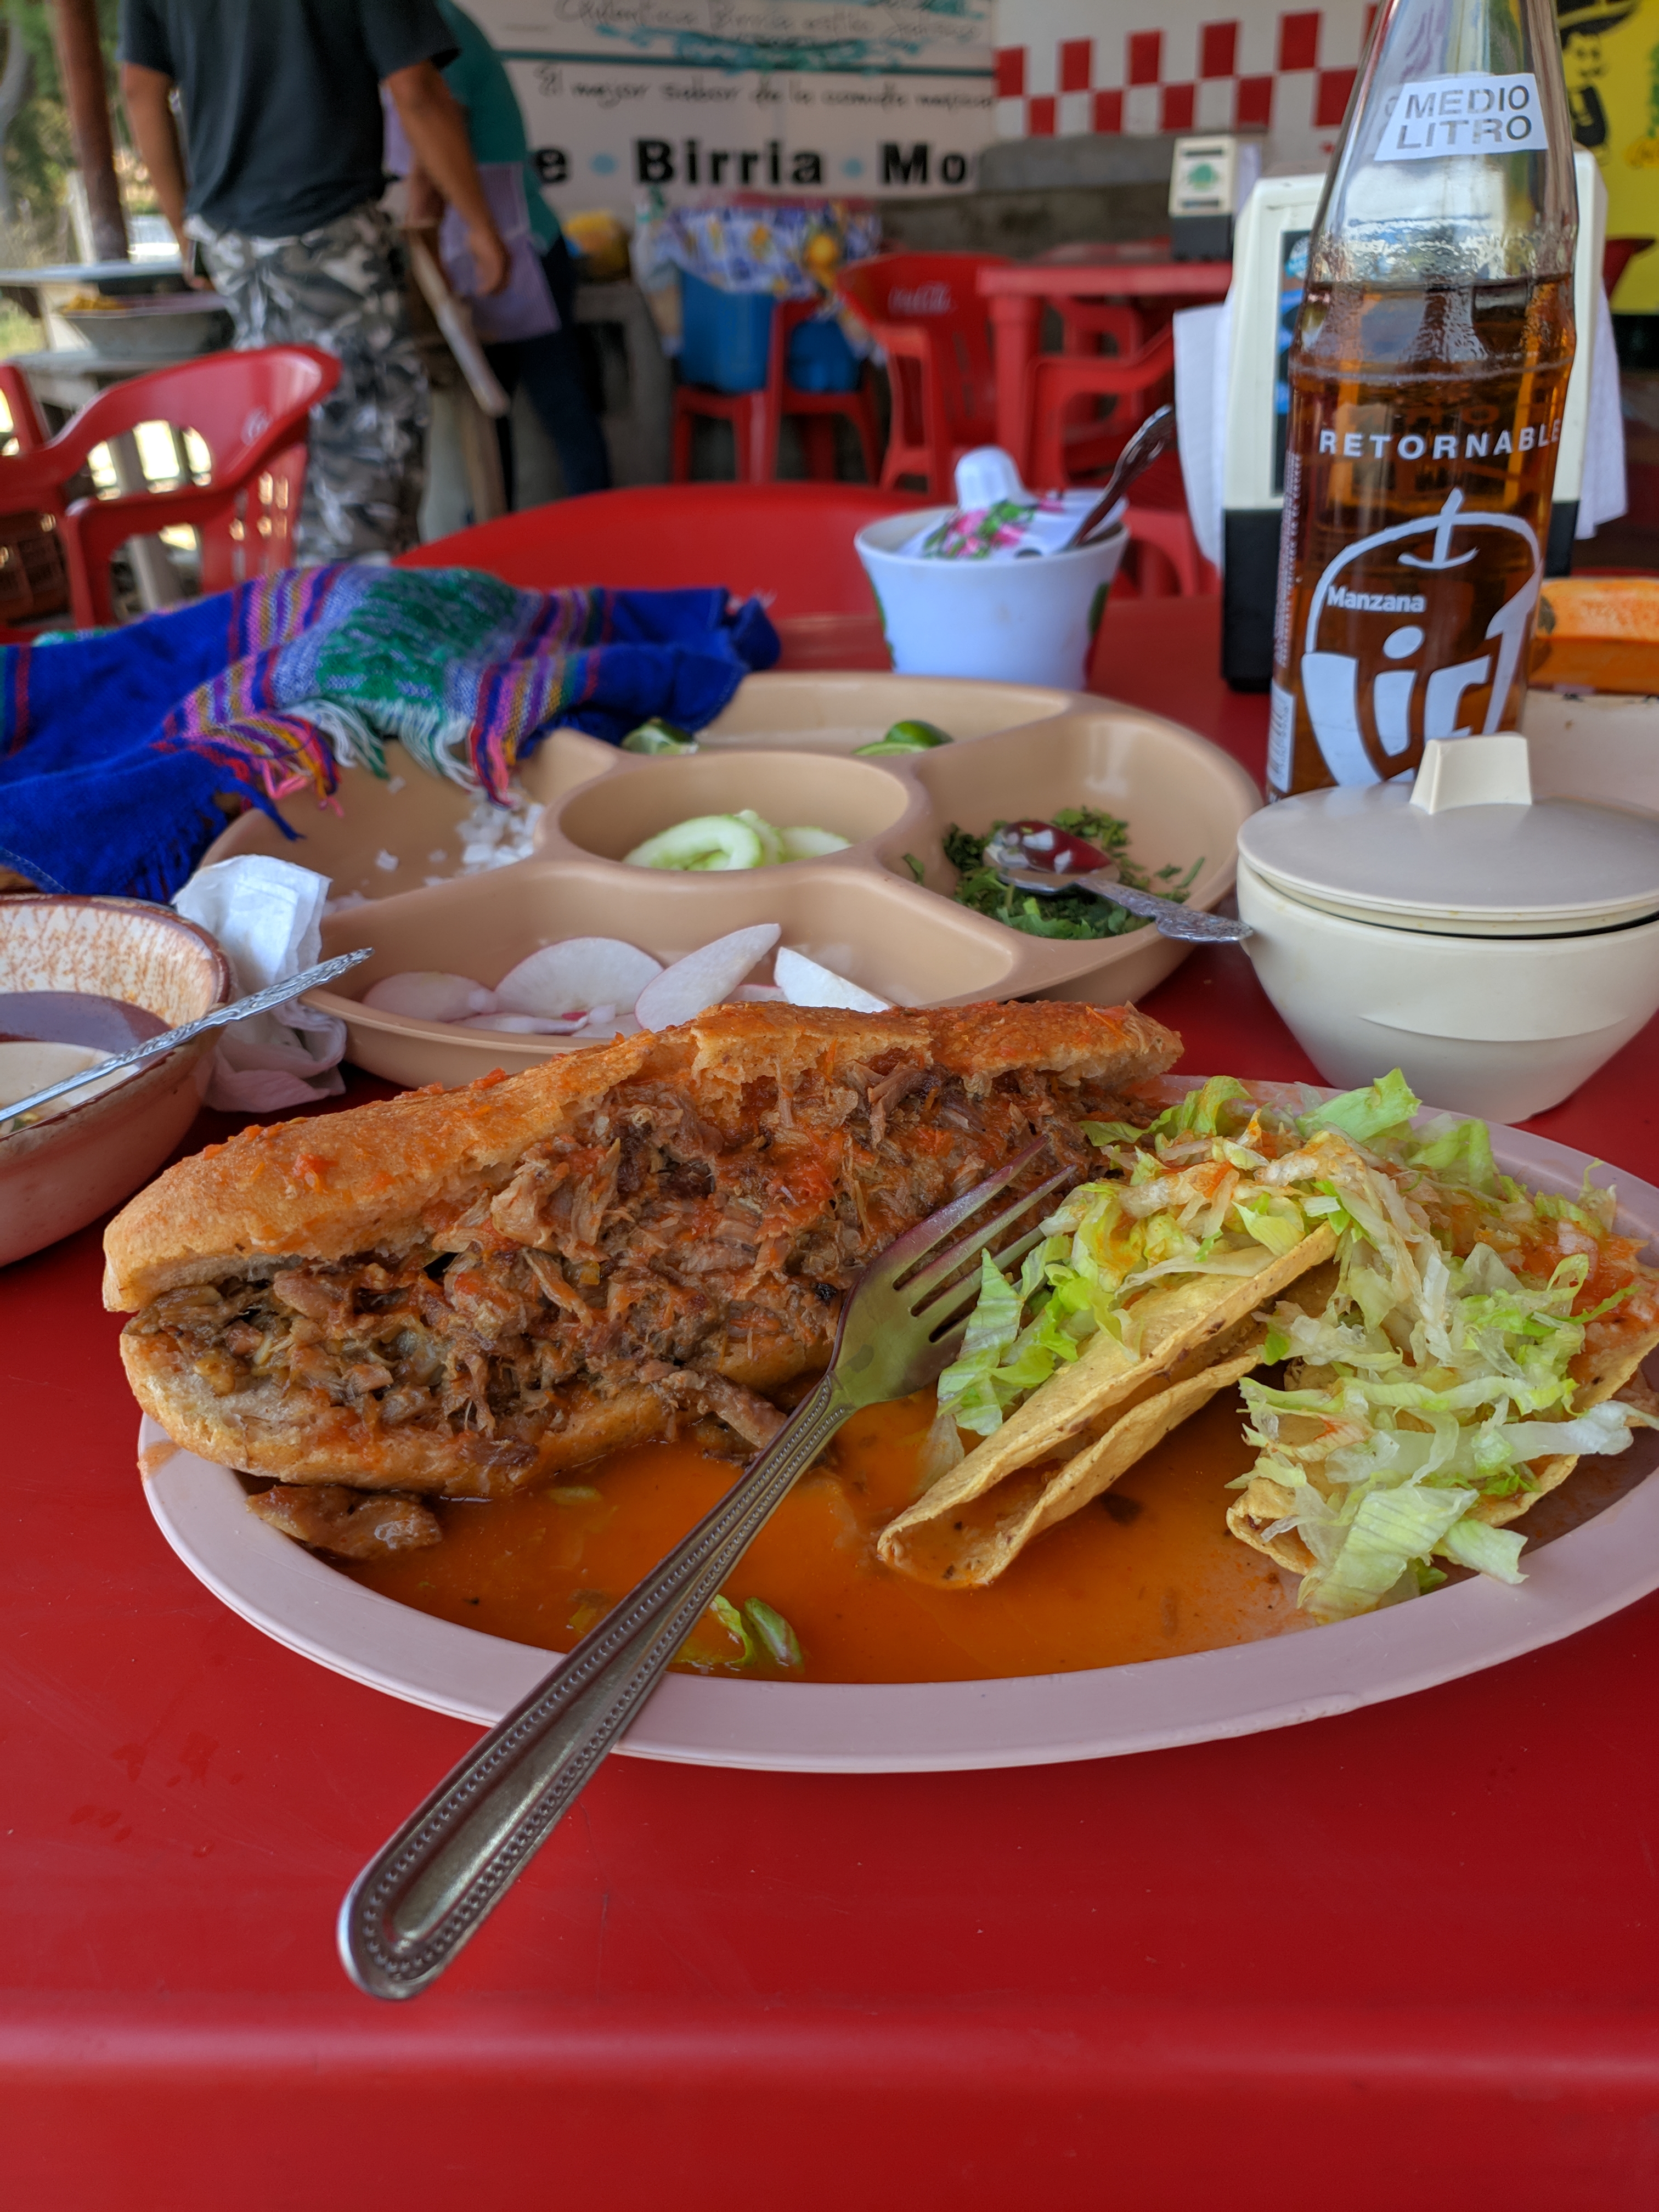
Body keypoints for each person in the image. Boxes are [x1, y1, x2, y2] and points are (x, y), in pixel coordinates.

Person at [119, 0, 511, 563]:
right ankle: (352, 613)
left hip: (235, 252)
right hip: (330, 241)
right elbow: (417, 91)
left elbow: (140, 89)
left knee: (279, 455)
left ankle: (289, 608)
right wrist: (480, 225)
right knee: (366, 466)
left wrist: (186, 229)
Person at [404, 0, 612, 502]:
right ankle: (496, 532)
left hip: (517, 252)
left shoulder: (436, 31)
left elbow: (431, 164)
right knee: (489, 421)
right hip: (479, 253)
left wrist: (417, 247)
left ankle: (601, 529)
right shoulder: (428, 28)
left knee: (561, 404)